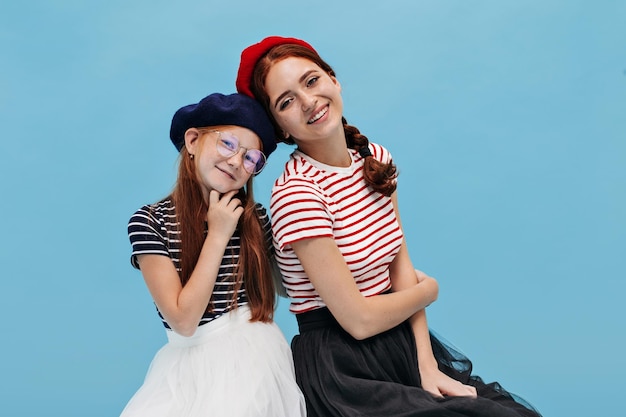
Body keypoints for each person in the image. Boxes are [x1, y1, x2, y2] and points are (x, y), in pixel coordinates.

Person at [235, 36, 542, 417]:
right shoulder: (298, 193)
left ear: (333, 79)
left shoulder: (374, 158)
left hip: (403, 343)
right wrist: (429, 289)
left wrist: (426, 364)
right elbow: (359, 320)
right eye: (286, 101)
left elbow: (399, 263)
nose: (308, 101)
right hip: (343, 365)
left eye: (312, 81)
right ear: (280, 128)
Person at [121, 92, 306, 417]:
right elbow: (183, 320)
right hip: (183, 362)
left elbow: (292, 286)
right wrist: (218, 234)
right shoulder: (150, 221)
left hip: (252, 359)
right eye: (228, 144)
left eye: (251, 159)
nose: (237, 161)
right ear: (193, 141)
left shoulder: (254, 219)